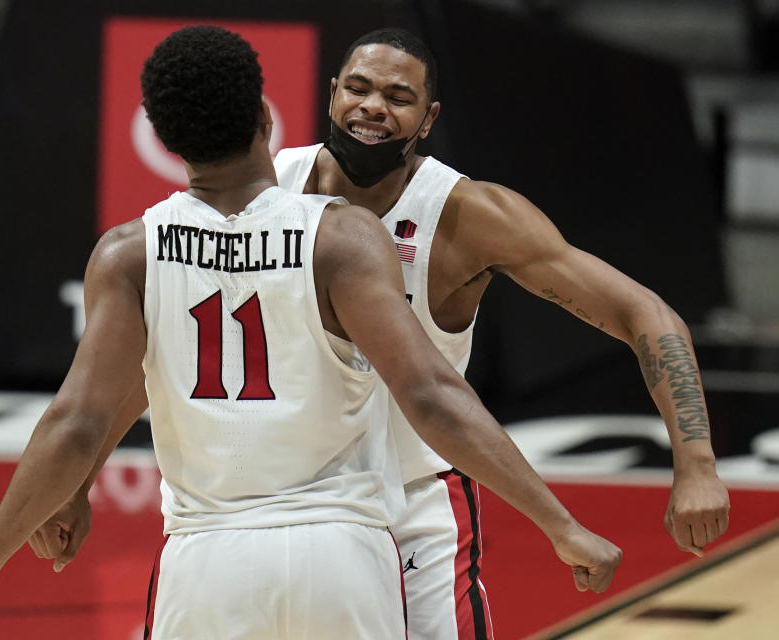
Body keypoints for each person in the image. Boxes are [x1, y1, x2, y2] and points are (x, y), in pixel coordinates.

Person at [0, 26, 622, 636]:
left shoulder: (131, 251)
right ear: (264, 115)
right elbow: (433, 395)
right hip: (342, 552)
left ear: (163, 139)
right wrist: (560, 524)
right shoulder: (342, 238)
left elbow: (77, 421)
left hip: (208, 555)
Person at [270, 27, 731, 639]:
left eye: (398, 97)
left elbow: (646, 314)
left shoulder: (468, 215)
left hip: (404, 504)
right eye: (357, 88)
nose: (373, 107)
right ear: (332, 95)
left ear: (429, 118)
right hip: (274, 498)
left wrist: (696, 464)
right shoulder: (266, 189)